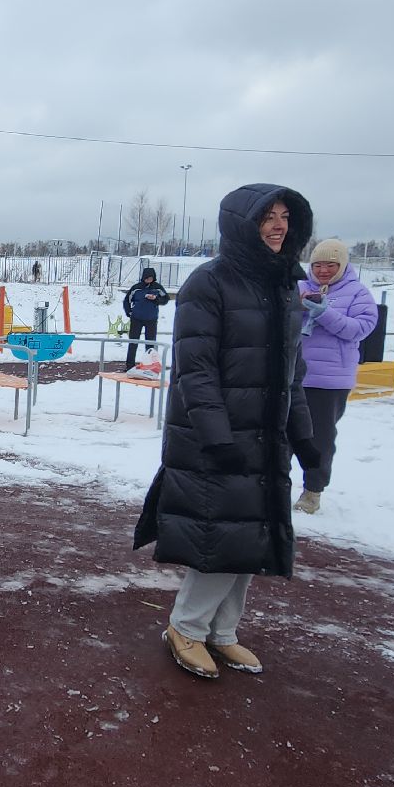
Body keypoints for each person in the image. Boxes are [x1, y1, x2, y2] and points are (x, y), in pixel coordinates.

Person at [134, 184, 321, 680]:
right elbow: (196, 371)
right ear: (243, 224)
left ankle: (222, 632)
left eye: (285, 216)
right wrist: (218, 437)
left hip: (265, 437)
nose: (278, 226)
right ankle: (186, 628)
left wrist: (305, 439)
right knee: (218, 539)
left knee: (250, 537)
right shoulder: (209, 282)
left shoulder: (285, 286)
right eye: (267, 217)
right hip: (215, 437)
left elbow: (292, 373)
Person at [295, 238, 378, 514]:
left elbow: (360, 328)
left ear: (342, 266)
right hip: (294, 375)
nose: (323, 270)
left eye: (331, 265)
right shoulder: (299, 287)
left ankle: (312, 490)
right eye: (317, 265)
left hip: (329, 380)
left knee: (319, 438)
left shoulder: (357, 293)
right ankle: (275, 486)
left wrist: (325, 313)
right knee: (281, 435)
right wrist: (296, 308)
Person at [123, 267, 170, 369]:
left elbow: (166, 299)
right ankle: (129, 365)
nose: (149, 280)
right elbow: (126, 300)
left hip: (151, 319)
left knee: (150, 344)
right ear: (144, 277)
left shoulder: (158, 287)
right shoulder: (136, 288)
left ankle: (149, 366)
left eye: (151, 278)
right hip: (136, 319)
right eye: (147, 278)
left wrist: (156, 299)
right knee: (133, 342)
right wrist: (129, 312)